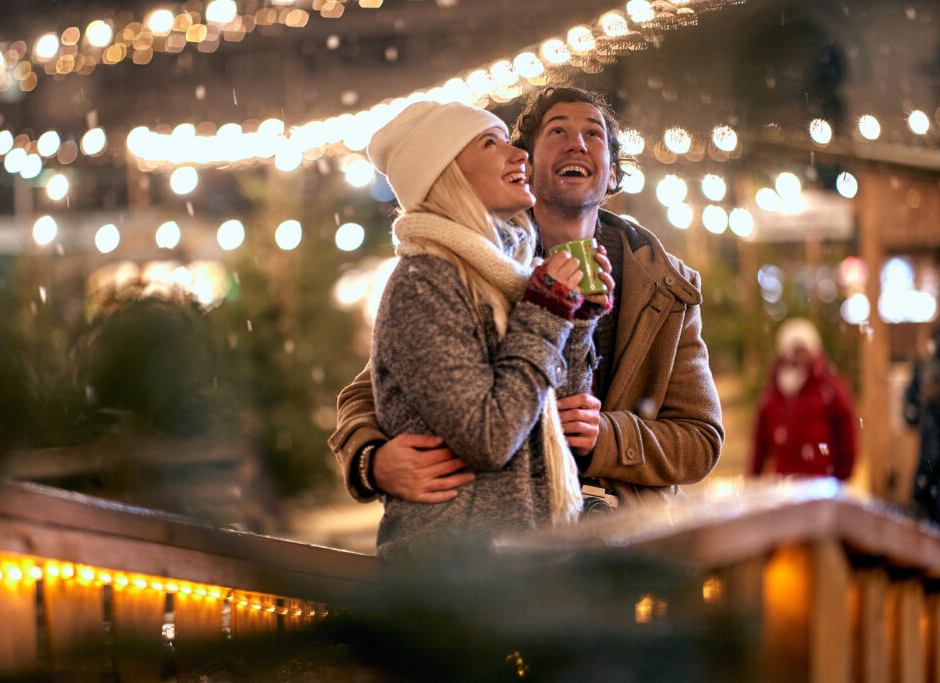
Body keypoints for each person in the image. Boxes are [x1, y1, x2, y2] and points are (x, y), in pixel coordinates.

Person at [330, 86, 722, 511]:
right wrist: (371, 461)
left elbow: (701, 439)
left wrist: (607, 437)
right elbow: (376, 389)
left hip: (627, 535)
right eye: (557, 132)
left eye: (593, 135)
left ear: (611, 173)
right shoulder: (475, 265)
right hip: (511, 536)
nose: (577, 143)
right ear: (527, 167)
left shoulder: (665, 286)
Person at [362, 100, 613, 560]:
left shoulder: (508, 274)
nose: (519, 154)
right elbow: (491, 438)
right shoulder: (423, 285)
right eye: (491, 143)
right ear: (447, 176)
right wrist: (548, 312)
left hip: (524, 566)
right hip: (458, 578)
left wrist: (576, 322)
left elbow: (550, 415)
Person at [750, 318, 857, 480]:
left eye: (802, 350)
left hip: (821, 481)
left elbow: (846, 435)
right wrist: (754, 477)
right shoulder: (774, 392)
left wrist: (842, 477)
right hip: (783, 482)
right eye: (793, 350)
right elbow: (760, 441)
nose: (797, 356)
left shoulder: (829, 388)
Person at [905, 322, 940, 522]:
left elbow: (909, 415)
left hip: (928, 468)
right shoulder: (925, 367)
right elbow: (910, 414)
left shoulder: (925, 366)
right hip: (929, 464)